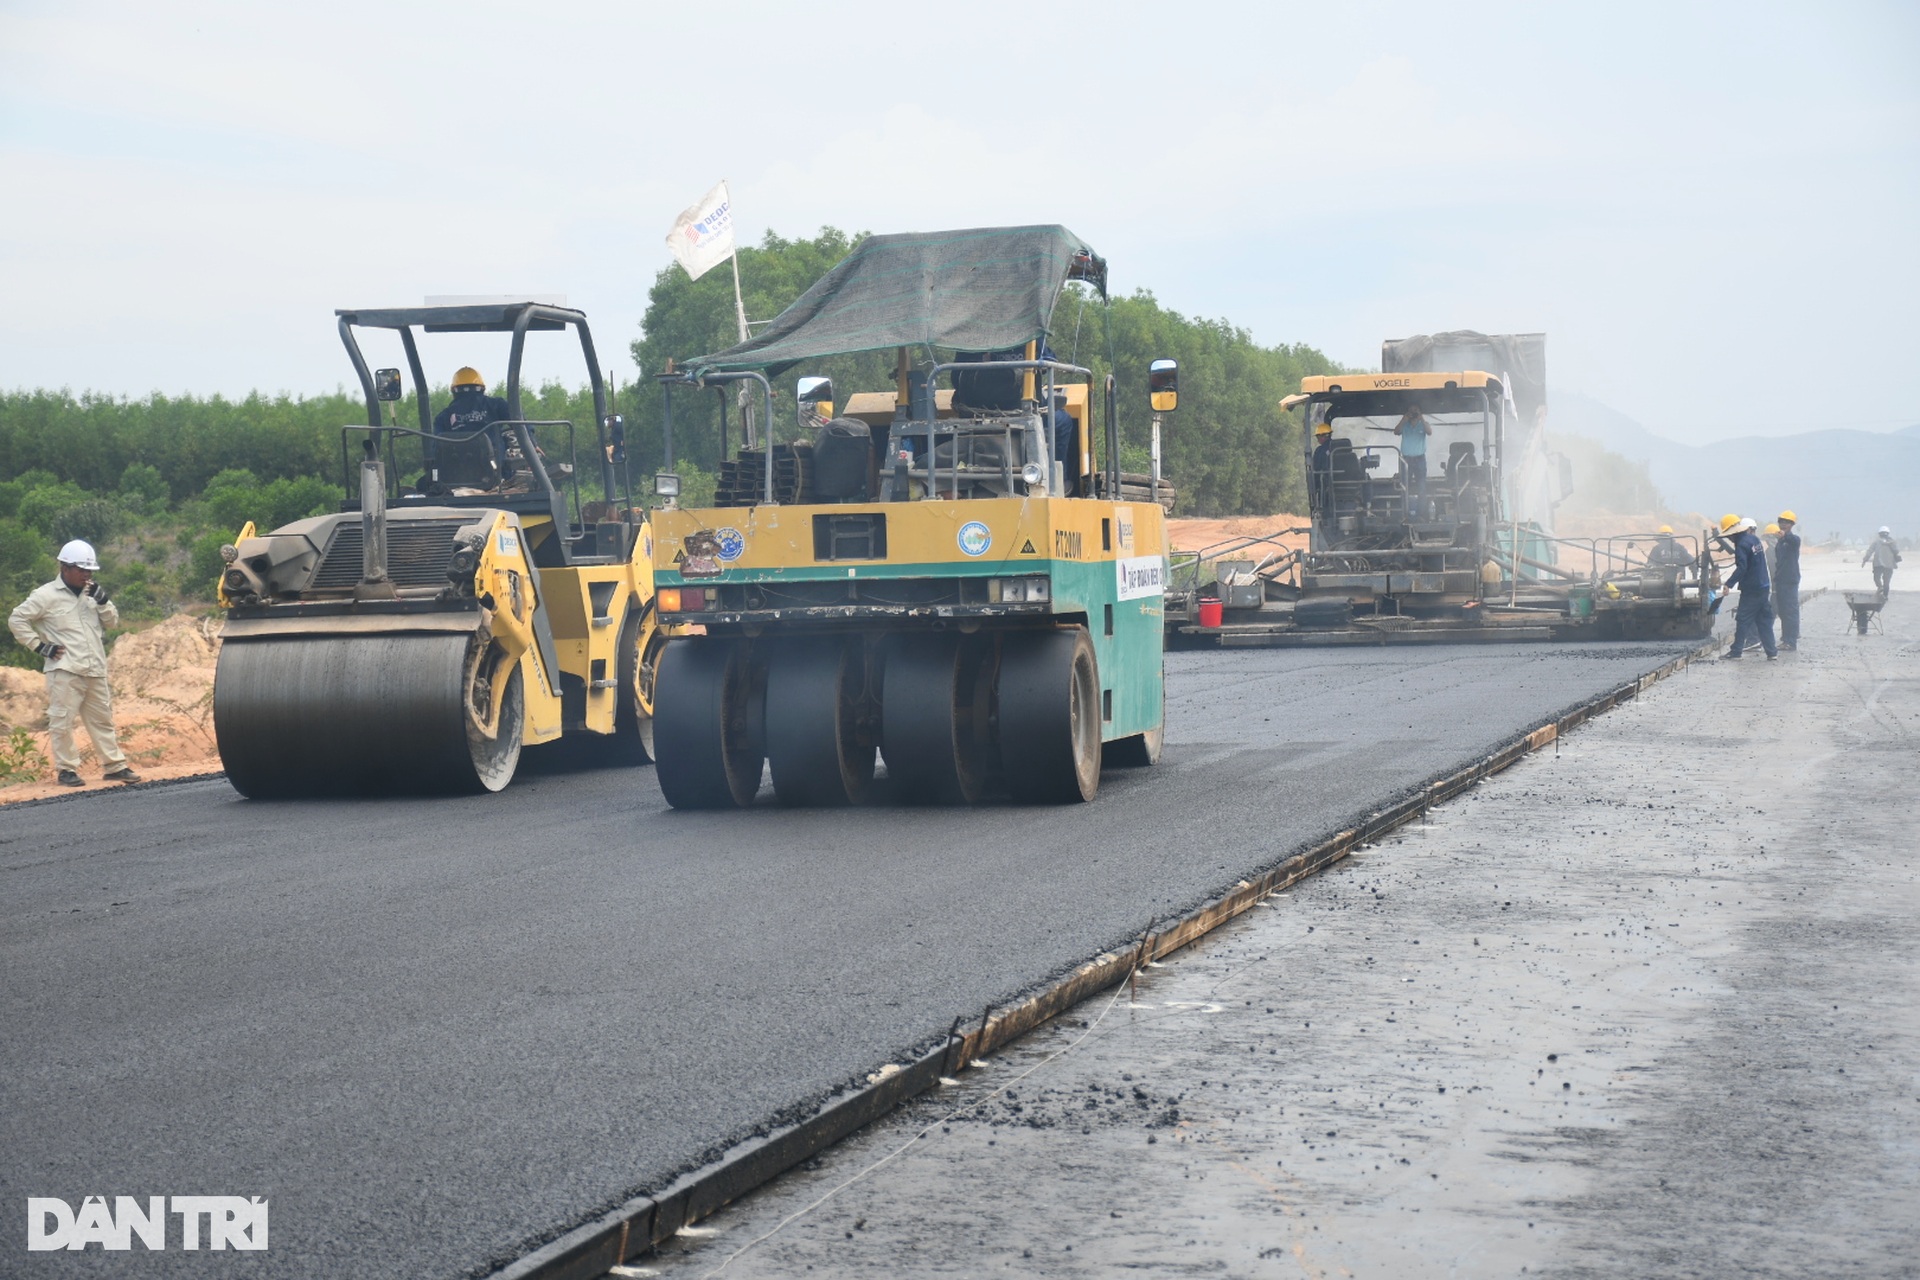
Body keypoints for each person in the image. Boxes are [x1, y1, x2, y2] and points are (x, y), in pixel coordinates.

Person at [7, 540, 141, 786]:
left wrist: (103, 601)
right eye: (81, 569)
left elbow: (112, 623)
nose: (86, 574)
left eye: (89, 570)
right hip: (65, 669)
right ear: (64, 568)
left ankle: (114, 766)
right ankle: (66, 770)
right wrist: (39, 646)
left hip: (94, 668)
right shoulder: (46, 595)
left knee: (102, 719)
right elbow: (17, 619)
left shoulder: (93, 594)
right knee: (62, 721)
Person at [432, 366, 514, 481]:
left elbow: (436, 450)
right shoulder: (497, 405)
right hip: (496, 475)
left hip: (454, 479)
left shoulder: (444, 417)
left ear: (454, 390)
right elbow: (519, 422)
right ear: (482, 388)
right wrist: (532, 443)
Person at [1720, 515, 1777, 660]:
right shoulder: (1755, 540)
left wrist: (1728, 584)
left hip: (1752, 589)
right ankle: (1772, 652)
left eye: (1729, 536)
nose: (1729, 539)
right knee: (1763, 620)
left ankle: (1736, 652)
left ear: (1733, 533)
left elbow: (1742, 568)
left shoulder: (1741, 546)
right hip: (1764, 586)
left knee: (1743, 619)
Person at [1378, 403, 1431, 511]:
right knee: (1404, 487)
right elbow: (1396, 431)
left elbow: (1429, 432)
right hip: (1406, 459)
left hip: (1420, 459)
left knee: (1421, 487)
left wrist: (1421, 417)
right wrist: (1404, 418)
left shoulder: (1423, 424)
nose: (1413, 413)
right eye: (1411, 411)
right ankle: (1405, 512)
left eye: (1416, 410)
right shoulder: (1405, 425)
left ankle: (1422, 513)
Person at [1773, 510, 1802, 650]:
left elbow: (1795, 541)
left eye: (1786, 522)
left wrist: (1785, 536)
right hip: (1781, 580)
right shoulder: (1780, 542)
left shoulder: (1793, 540)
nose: (1783, 525)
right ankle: (1786, 638)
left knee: (1790, 611)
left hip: (1790, 580)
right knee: (1783, 611)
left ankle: (1790, 641)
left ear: (1791, 525)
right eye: (1781, 522)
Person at [1862, 526, 1901, 598]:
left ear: (1879, 534)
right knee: (1887, 582)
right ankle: (1885, 597)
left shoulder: (1876, 542)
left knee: (1876, 578)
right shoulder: (1893, 542)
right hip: (1889, 564)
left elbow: (1870, 551)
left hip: (1878, 564)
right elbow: (1896, 551)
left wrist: (1865, 560)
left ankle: (1880, 587)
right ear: (1888, 533)